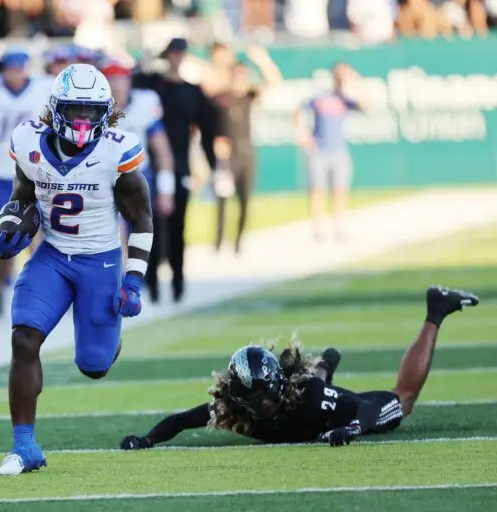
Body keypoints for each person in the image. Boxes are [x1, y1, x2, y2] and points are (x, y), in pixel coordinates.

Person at [0, 63, 154, 476]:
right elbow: (21, 197)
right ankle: (24, 446)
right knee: (24, 338)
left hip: (100, 260)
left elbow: (143, 220)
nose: (82, 119)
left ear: (105, 113)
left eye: (90, 111)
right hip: (51, 256)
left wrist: (132, 281)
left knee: (94, 365)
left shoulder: (118, 152)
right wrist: (13, 226)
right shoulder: (29, 142)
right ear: (56, 108)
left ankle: (108, 333)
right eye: (75, 109)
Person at [120, 286, 479, 449]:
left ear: (277, 383)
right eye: (253, 400)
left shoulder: (305, 395)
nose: (262, 406)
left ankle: (437, 309)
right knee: (313, 384)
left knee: (403, 402)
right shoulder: (234, 402)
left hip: (332, 411)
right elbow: (182, 420)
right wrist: (147, 439)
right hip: (310, 398)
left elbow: (367, 409)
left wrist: (351, 429)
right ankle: (325, 364)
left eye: (266, 395)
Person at [133, 38, 217, 303]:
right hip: (149, 165)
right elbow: (131, 89)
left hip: (179, 164)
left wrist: (213, 166)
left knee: (178, 227)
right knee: (151, 228)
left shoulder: (193, 92)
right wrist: (143, 68)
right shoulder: (152, 86)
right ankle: (153, 284)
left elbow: (208, 130)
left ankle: (178, 283)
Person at [0, 49, 48, 316]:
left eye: (19, 68)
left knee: (35, 233)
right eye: (10, 68)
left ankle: (44, 289)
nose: (15, 73)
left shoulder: (42, 89)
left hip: (31, 171)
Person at [99, 59, 175, 263]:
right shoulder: (94, 110)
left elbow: (162, 149)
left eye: (121, 79)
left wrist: (166, 189)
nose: (117, 85)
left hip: (137, 175)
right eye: (112, 80)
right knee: (114, 235)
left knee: (140, 237)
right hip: (104, 178)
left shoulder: (145, 102)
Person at [209, 44, 282, 254]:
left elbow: (274, 82)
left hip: (247, 151)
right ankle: (219, 241)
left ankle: (239, 242)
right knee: (223, 199)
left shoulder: (250, 96)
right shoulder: (221, 98)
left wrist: (262, 60)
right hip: (226, 155)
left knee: (244, 200)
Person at [293, 62, 369, 241]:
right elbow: (298, 110)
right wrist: (301, 133)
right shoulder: (321, 97)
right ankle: (318, 228)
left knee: (339, 190)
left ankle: (339, 226)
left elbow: (366, 105)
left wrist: (356, 81)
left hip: (338, 150)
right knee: (317, 190)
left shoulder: (344, 99)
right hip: (319, 149)